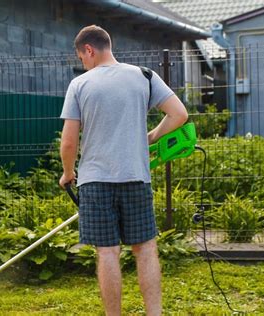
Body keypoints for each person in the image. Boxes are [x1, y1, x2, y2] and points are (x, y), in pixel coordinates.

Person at [59, 25, 188, 316]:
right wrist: (152, 136)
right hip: (136, 177)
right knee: (145, 249)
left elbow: (69, 142)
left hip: (95, 182)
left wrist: (68, 173)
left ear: (88, 50)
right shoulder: (144, 76)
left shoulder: (80, 85)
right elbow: (179, 114)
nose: (84, 63)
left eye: (82, 58)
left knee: (107, 252)